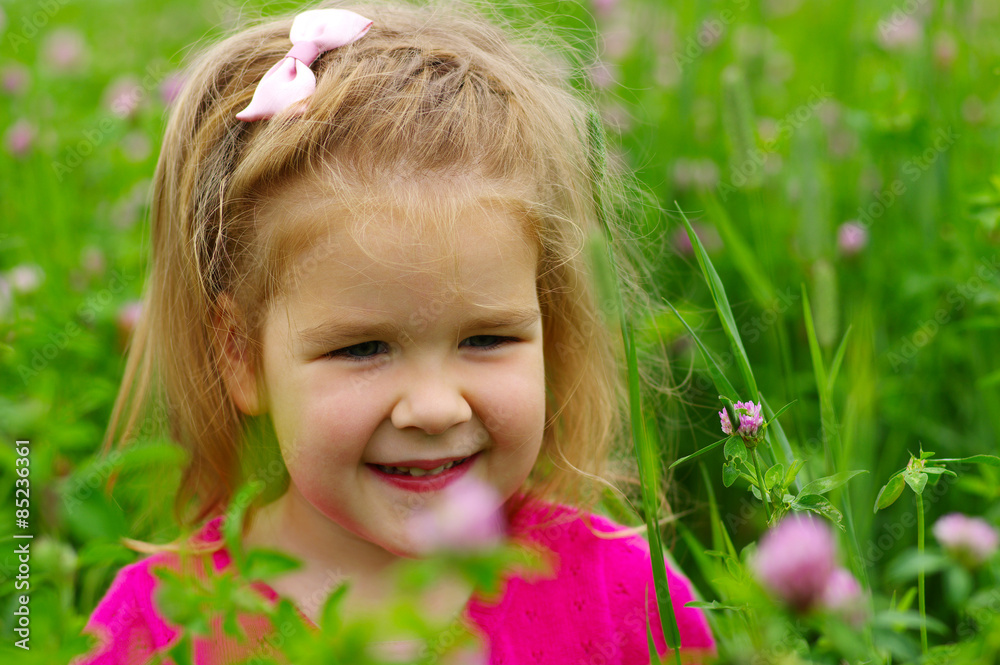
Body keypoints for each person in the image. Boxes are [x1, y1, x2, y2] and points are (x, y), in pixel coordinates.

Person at [73, 0, 716, 662]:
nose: (435, 407)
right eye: (364, 348)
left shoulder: (622, 592)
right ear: (241, 355)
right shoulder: (167, 622)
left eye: (486, 339)